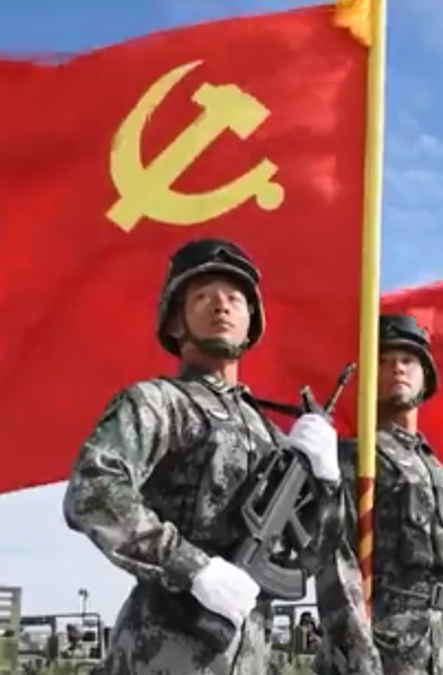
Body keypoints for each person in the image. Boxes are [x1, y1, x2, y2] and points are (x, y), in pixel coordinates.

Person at [62, 238, 345, 675]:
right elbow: (92, 491)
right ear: (176, 323)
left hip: (250, 654)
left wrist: (325, 481)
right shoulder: (157, 402)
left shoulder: (270, 435)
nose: (221, 305)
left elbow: (309, 559)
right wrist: (192, 568)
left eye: (235, 298)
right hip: (162, 651)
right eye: (202, 296)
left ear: (251, 322)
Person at [317, 313, 443, 675]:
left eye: (408, 360)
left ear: (426, 376)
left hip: (434, 646)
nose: (396, 369)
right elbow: (335, 559)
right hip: (376, 643)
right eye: (383, 361)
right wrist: (357, 653)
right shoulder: (355, 456)